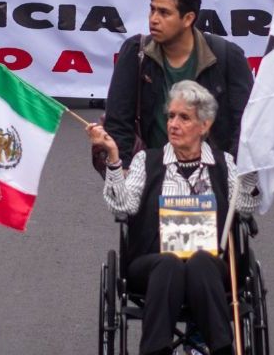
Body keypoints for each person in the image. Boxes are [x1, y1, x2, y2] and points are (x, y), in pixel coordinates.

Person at [89, 80, 258, 355]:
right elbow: (122, 207)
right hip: (153, 263)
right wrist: (114, 159)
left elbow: (244, 207)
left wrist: (252, 175)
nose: (173, 124)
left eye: (184, 117)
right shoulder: (147, 160)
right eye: (171, 116)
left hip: (210, 267)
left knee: (202, 261)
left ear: (204, 126)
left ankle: (222, 349)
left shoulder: (223, 162)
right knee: (169, 264)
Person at [104, 0, 253, 165]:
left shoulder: (227, 56)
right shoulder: (135, 52)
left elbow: (247, 123)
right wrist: (126, 170)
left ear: (188, 18)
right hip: (151, 174)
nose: (154, 19)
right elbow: (117, 120)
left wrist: (231, 173)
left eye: (164, 13)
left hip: (213, 176)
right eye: (152, 10)